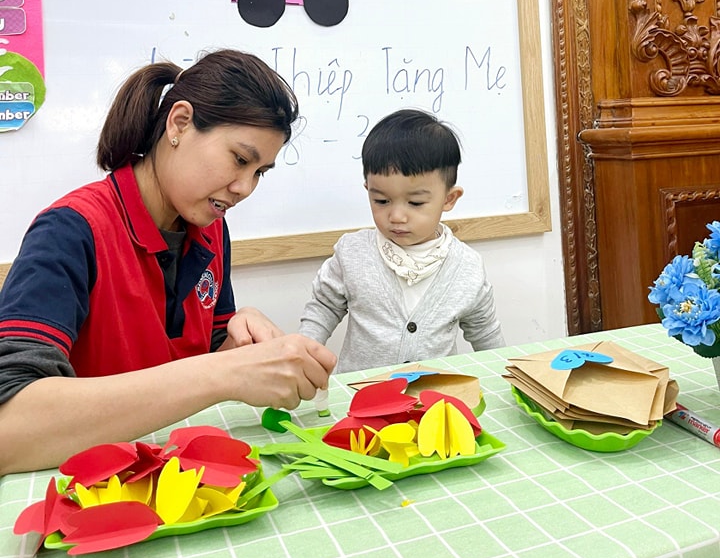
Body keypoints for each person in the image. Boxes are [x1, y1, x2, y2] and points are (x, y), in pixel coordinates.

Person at [0, 49, 335, 475]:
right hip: (89, 486)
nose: (245, 187)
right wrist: (225, 371)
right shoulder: (70, 231)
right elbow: (9, 429)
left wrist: (240, 343)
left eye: (260, 172)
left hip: (176, 475)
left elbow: (205, 359)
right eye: (239, 159)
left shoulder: (210, 229)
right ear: (179, 123)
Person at [299, 108, 505, 373]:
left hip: (432, 392)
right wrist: (304, 352)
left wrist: (504, 376)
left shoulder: (467, 266)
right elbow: (324, 307)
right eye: (381, 201)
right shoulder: (352, 253)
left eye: (415, 203)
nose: (396, 216)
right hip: (362, 391)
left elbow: (485, 333)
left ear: (449, 199)